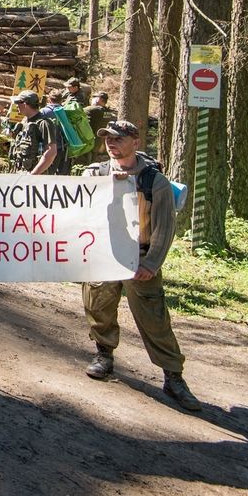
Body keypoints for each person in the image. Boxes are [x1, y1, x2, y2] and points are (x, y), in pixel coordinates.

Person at [80, 120, 201, 412]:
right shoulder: (93, 174)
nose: (111, 142)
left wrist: (151, 263)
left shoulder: (154, 181)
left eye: (118, 138)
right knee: (98, 306)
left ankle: (173, 377)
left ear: (135, 142)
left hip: (139, 260)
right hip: (103, 257)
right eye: (108, 137)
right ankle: (103, 355)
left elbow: (164, 227)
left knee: (154, 318)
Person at [9, 91, 60, 175]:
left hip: (35, 178)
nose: (17, 106)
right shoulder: (24, 121)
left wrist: (33, 175)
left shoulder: (44, 123)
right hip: (20, 173)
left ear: (25, 104)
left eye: (18, 103)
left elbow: (51, 152)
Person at [84, 93, 114, 164]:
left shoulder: (93, 109)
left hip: (89, 140)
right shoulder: (107, 112)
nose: (92, 99)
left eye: (94, 97)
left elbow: (79, 111)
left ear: (98, 99)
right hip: (100, 142)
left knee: (85, 161)